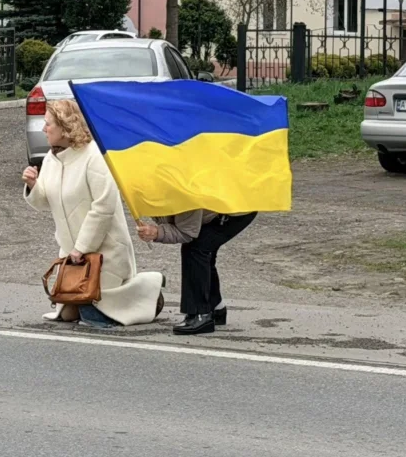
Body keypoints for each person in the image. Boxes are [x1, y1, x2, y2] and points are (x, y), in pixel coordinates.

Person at [22, 100, 164, 328]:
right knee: (68, 314)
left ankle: (148, 288)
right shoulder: (51, 159)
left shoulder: (94, 157)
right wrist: (33, 185)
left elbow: (103, 207)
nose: (43, 129)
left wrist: (82, 247)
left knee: (94, 318)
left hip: (105, 252)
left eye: (48, 123)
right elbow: (45, 202)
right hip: (74, 256)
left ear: (65, 127)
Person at [138, 211, 256, 335]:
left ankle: (200, 315)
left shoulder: (183, 194)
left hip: (236, 210)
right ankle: (215, 308)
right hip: (220, 207)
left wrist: (157, 232)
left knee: (196, 248)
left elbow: (186, 232)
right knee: (203, 247)